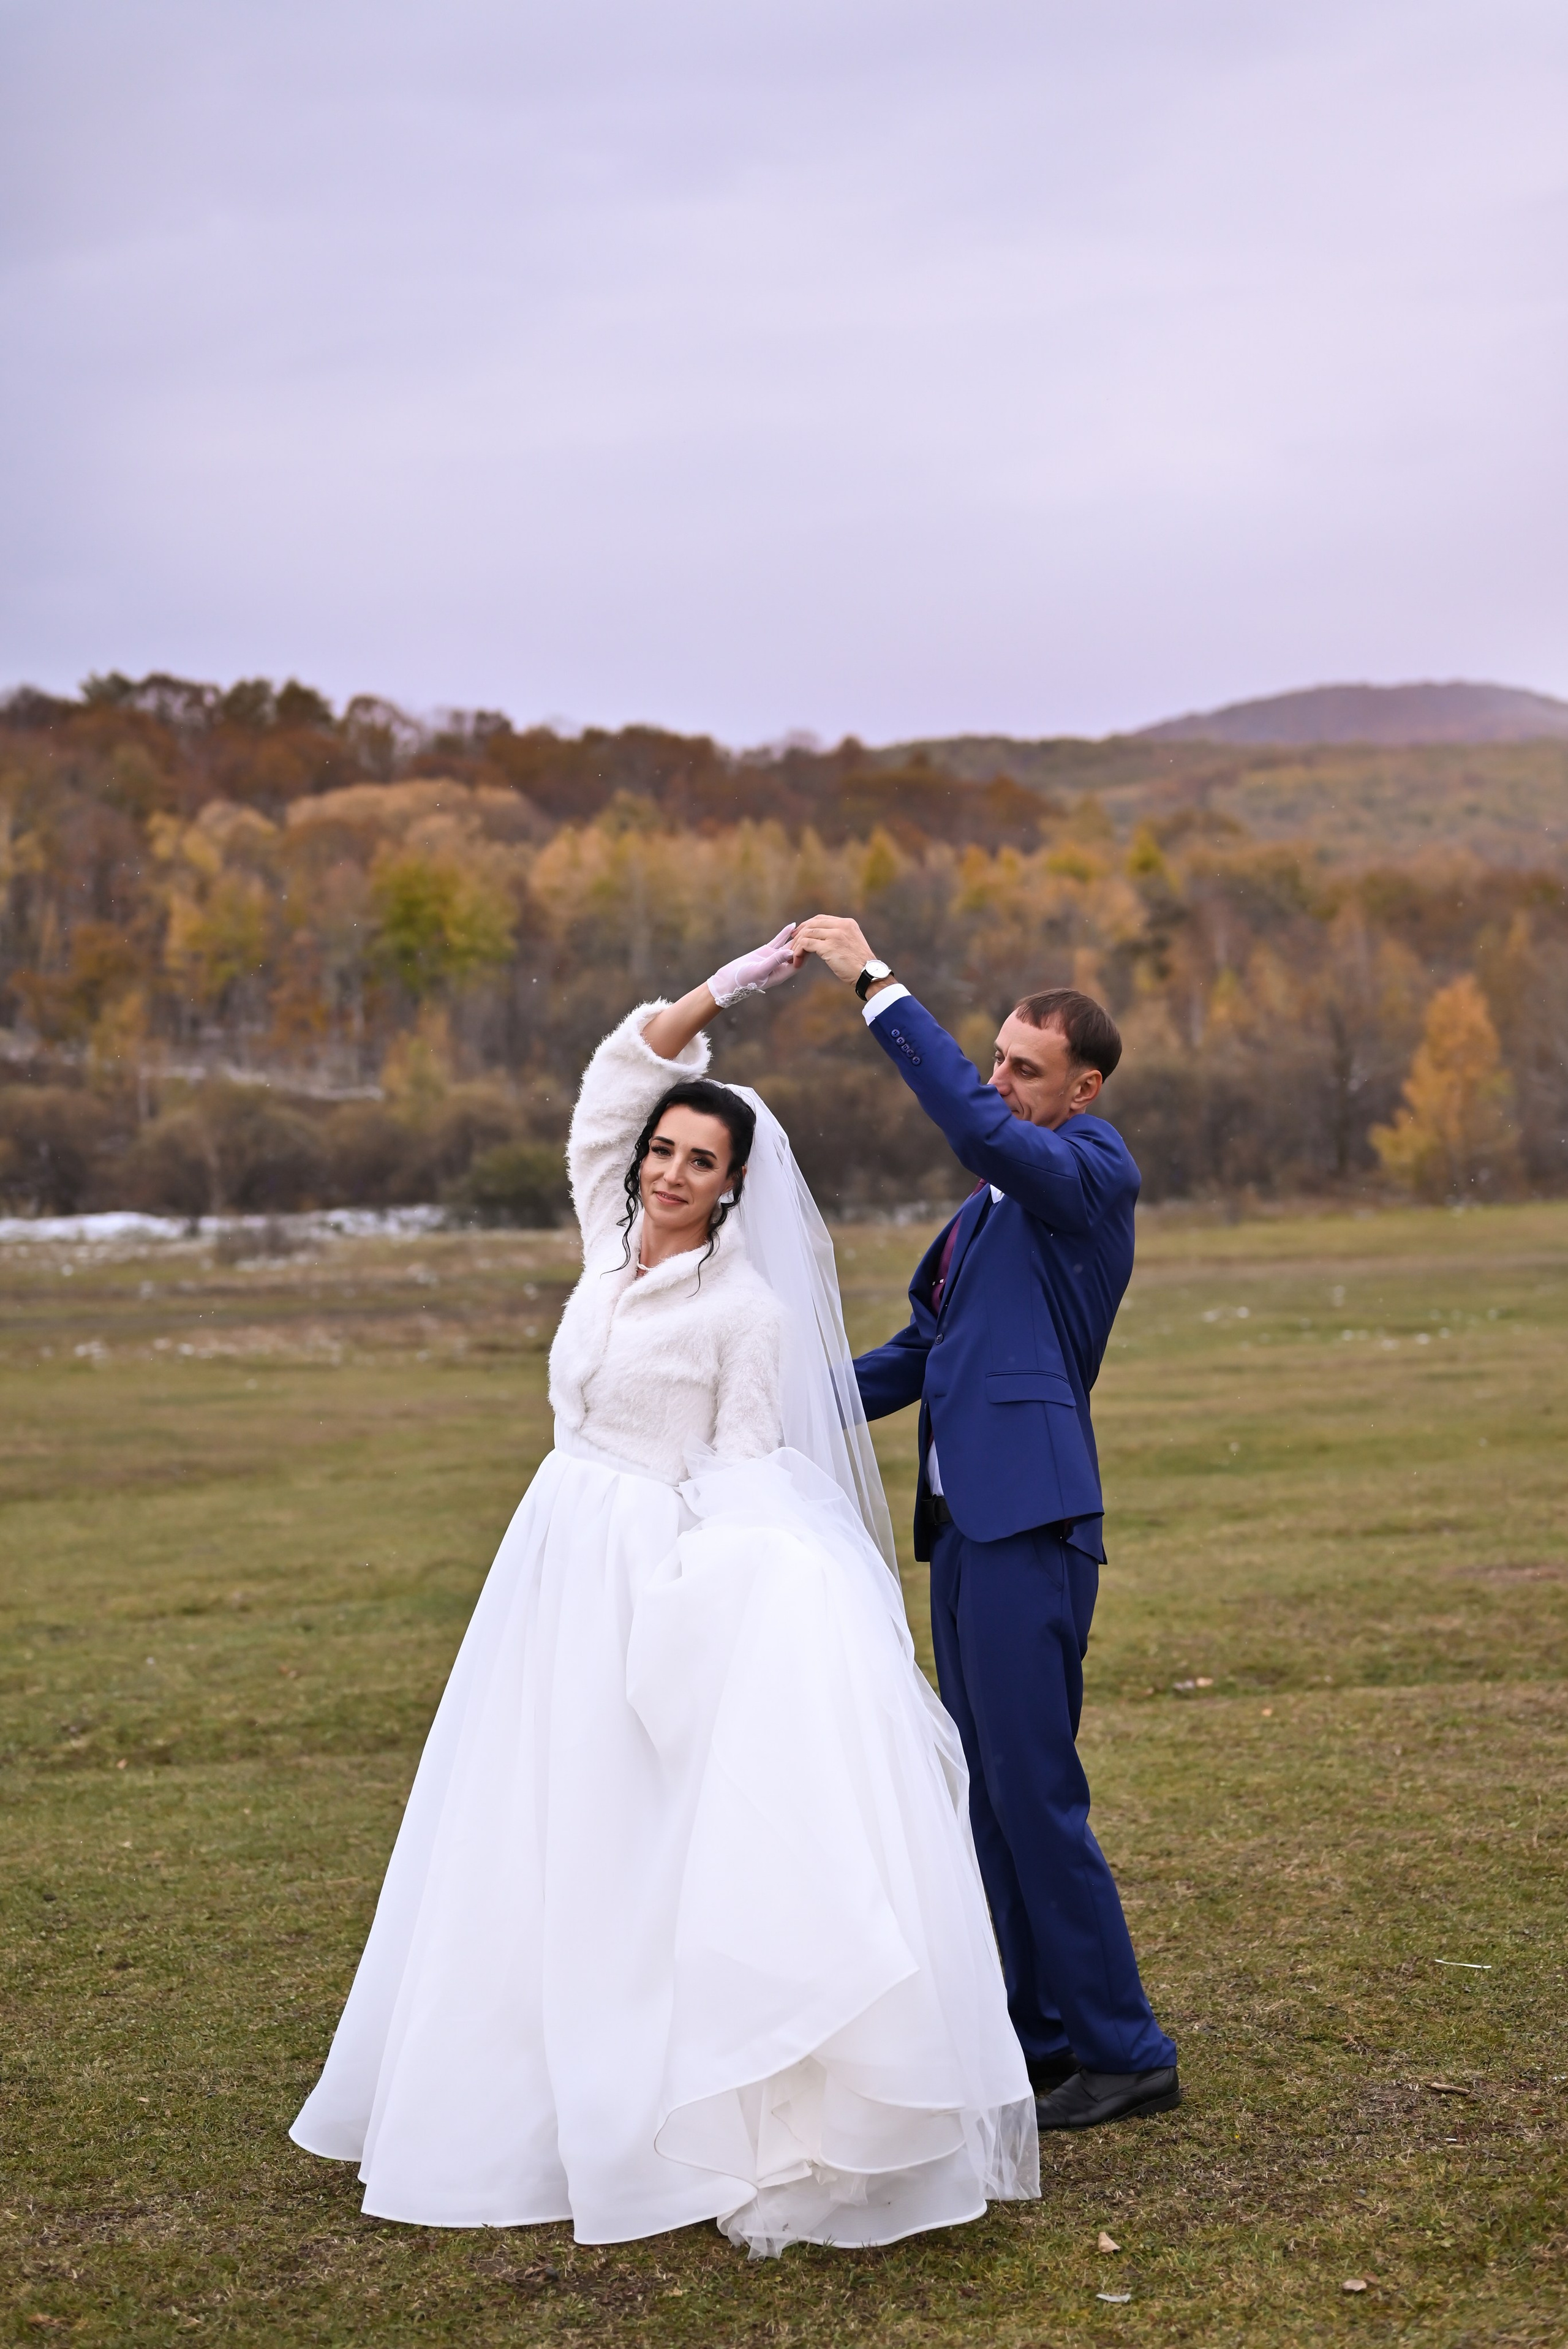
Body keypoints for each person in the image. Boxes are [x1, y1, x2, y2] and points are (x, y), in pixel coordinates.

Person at [290, 926, 1037, 2255]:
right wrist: (736, 983)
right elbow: (611, 1081)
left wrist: (744, 1600)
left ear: (736, 1183)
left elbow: (750, 1465)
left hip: (652, 1563)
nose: (671, 1170)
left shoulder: (742, 1311)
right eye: (664, 1150)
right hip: (548, 1554)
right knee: (514, 1821)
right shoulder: (603, 1236)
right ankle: (502, 2085)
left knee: (618, 1831)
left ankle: (658, 2104)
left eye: (701, 1159)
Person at [791, 916, 1180, 2132]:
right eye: (998, 1059)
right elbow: (920, 1350)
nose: (1003, 1080)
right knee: (984, 1793)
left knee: (1034, 1790)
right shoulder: (976, 1220)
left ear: (1082, 1087)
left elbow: (972, 1125)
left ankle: (1126, 2051)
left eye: (1023, 1067)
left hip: (1032, 1521)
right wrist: (780, 1403)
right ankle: (1037, 2034)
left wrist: (871, 982)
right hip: (959, 1534)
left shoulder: (1088, 1172)